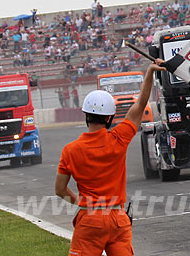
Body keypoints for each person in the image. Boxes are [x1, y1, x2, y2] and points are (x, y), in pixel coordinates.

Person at [55, 59, 165, 256]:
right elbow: (140, 104)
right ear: (109, 118)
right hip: (118, 217)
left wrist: (81, 203)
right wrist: (149, 72)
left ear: (86, 115)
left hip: (90, 219)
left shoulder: (70, 150)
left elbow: (60, 190)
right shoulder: (119, 138)